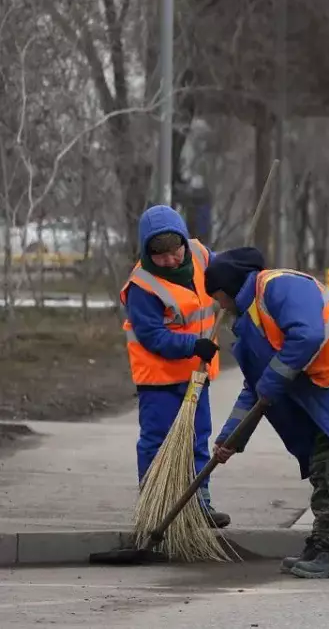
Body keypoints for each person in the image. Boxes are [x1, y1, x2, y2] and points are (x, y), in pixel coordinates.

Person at [203, 247, 329, 580]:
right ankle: (324, 544)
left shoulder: (279, 286)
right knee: (323, 469)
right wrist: (231, 438)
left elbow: (308, 333)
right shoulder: (250, 321)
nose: (220, 305)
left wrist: (272, 380)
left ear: (230, 288)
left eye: (219, 297)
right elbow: (255, 388)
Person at [120, 205, 229, 528]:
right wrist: (193, 346)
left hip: (197, 375)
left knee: (197, 439)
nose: (170, 260)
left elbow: (224, 273)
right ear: (147, 251)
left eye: (174, 251)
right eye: (160, 255)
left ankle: (200, 504)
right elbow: (153, 336)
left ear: (183, 242)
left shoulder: (198, 253)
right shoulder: (143, 285)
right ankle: (155, 509)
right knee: (157, 442)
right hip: (160, 380)